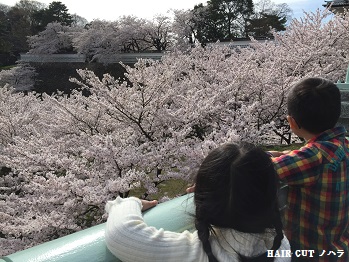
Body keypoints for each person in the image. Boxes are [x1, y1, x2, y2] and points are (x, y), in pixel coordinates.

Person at [105, 142, 291, 262]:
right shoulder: (281, 246)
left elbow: (122, 233)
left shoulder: (196, 252)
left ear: (201, 196)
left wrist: (128, 202)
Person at [268, 77, 349, 261]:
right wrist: (278, 152)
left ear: (292, 122)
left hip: (308, 254)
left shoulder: (314, 158)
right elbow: (302, 155)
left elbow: (258, 168)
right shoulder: (342, 145)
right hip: (339, 249)